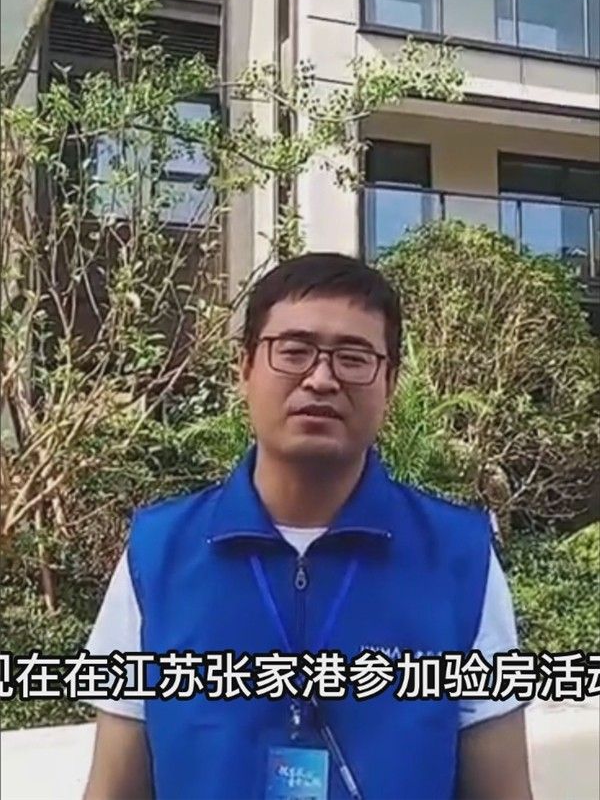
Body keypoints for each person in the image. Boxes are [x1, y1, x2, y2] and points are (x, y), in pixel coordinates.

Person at [83, 252, 533, 800]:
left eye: (354, 358)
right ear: (244, 368)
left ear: (390, 382)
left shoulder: (461, 560)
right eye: (294, 351)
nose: (321, 379)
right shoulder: (156, 555)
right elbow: (113, 788)